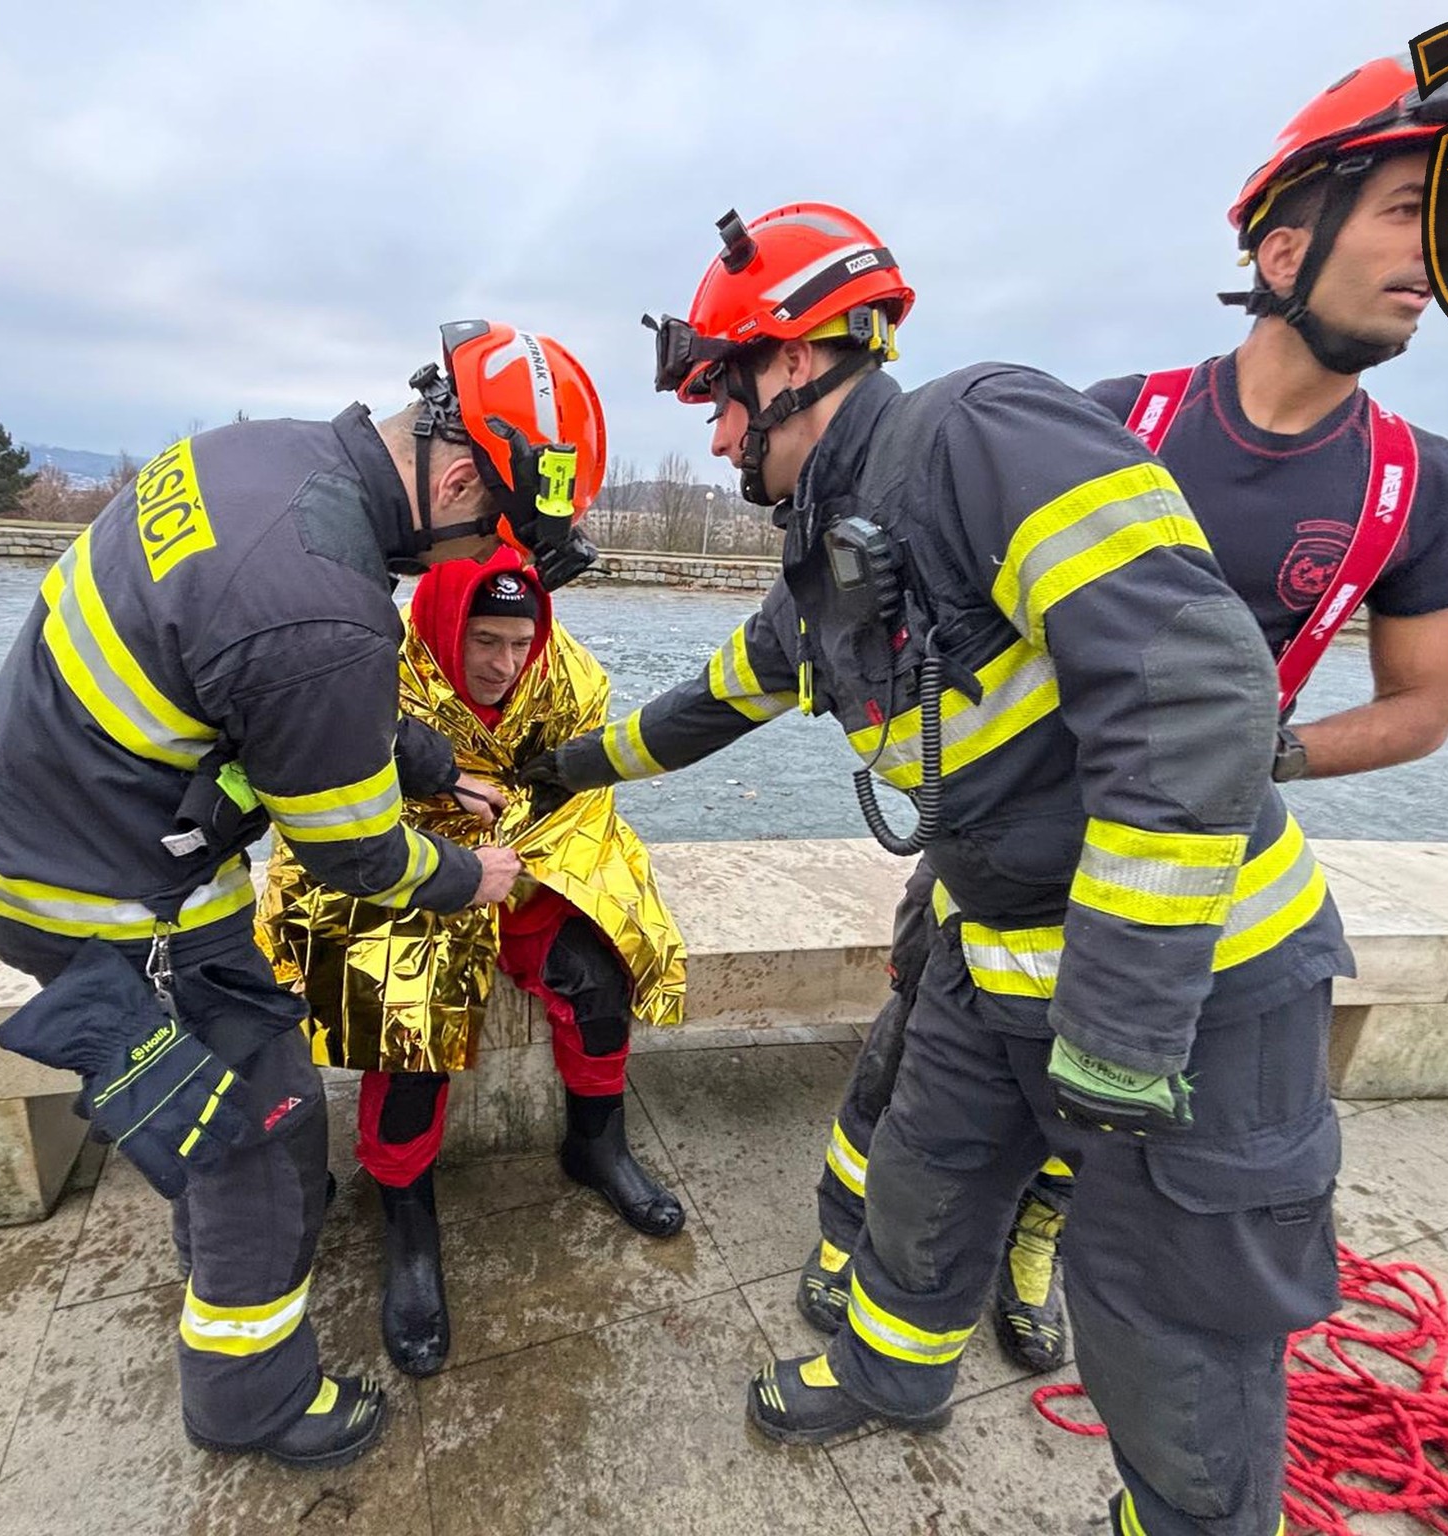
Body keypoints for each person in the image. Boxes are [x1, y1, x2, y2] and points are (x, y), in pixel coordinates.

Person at [526, 200, 1349, 1533]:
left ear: (796, 361)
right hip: (992, 953)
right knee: (919, 1191)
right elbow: (708, 704)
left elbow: (1195, 688)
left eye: (721, 398)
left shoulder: (980, 433)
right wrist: (558, 769)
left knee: (1167, 1324)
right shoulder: (824, 567)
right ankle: (887, 1378)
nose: (718, 436)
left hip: (1190, 994)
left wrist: (1122, 1023)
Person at [801, 56, 1448, 1392]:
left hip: (1173, 869)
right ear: (1284, 247)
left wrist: (1246, 756)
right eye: (1408, 211)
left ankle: (1033, 1243)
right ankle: (860, 1253)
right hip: (1005, 844)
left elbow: (1420, 710)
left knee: (1102, 1099)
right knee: (918, 1048)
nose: (1436, 259)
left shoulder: (1420, 488)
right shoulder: (1111, 421)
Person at [0, 320, 606, 1470]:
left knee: (232, 1109)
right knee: (265, 1128)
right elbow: (357, 854)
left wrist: (426, 764)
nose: (467, 566)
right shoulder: (322, 604)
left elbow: (282, 687)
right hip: (103, 898)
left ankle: (214, 1239)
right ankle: (246, 1397)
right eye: (491, 536)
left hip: (55, 834)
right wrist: (474, 874)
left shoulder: (260, 461)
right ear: (459, 480)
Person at [257, 549, 686, 1376]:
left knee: (598, 979)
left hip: (524, 858)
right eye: (484, 640)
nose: (503, 664)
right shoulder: (373, 677)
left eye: (520, 643)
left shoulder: (568, 677)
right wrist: (454, 866)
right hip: (399, 877)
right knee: (408, 1031)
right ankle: (407, 1220)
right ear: (443, 629)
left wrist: (507, 858)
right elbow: (334, 810)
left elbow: (578, 794)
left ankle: (597, 1146)